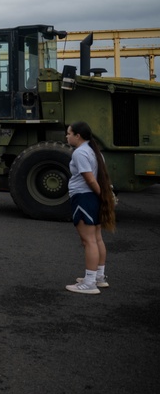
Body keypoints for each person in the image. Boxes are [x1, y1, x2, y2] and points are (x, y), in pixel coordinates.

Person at [65, 121, 117, 294]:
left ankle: (89, 283)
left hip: (84, 197)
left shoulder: (80, 153)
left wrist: (103, 196)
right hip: (92, 198)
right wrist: (104, 197)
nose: (67, 136)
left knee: (89, 241)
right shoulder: (95, 152)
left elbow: (90, 179)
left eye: (69, 133)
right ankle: (98, 277)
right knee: (97, 238)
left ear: (77, 136)